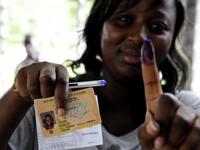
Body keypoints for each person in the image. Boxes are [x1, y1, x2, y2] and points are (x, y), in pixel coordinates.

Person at [0, 0, 200, 149]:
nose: (138, 37)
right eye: (123, 19)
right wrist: (19, 95)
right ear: (98, 30)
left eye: (158, 27)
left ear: (172, 40)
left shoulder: (188, 115)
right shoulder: (46, 101)